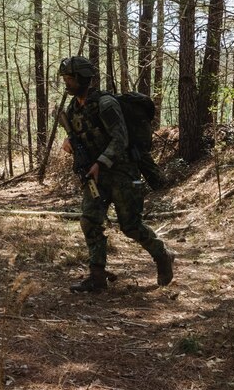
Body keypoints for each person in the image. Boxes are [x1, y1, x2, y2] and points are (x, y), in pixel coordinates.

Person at [58, 56, 174, 292]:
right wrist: (69, 142)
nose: (67, 83)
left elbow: (120, 138)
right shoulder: (73, 108)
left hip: (121, 172)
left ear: (83, 79)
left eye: (70, 79)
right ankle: (97, 277)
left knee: (130, 226)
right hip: (95, 176)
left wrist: (100, 162)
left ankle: (163, 255)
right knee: (89, 221)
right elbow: (81, 137)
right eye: (66, 79)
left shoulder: (106, 104)